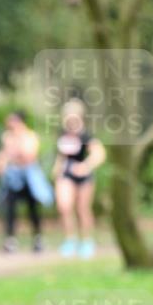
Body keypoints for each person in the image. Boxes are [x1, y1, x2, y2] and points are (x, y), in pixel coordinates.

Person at [52, 98, 106, 258]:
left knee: (83, 209)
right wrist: (57, 168)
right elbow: (62, 155)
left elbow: (99, 154)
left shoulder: (86, 135)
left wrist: (86, 166)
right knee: (64, 206)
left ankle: (87, 242)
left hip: (83, 176)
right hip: (66, 174)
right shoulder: (62, 134)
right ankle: (70, 240)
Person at [0, 111, 52, 253]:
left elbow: (29, 155)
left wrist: (13, 152)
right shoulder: (7, 136)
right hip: (13, 177)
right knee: (10, 208)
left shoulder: (30, 136)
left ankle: (37, 239)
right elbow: (3, 155)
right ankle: (10, 240)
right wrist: (1, 162)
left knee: (33, 209)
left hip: (29, 178)